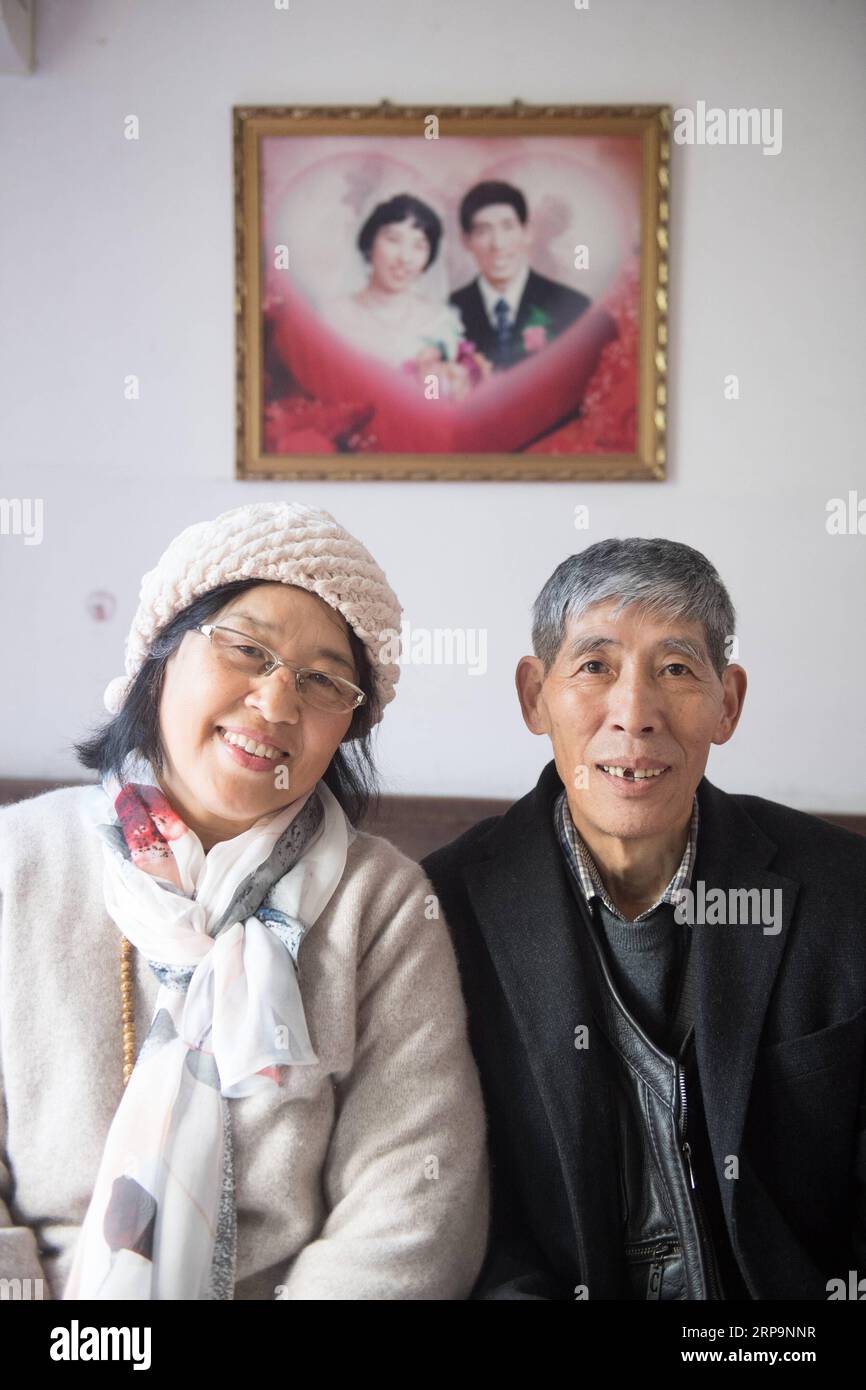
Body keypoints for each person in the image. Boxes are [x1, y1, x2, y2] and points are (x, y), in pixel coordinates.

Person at [0, 501, 489, 1300]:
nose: (275, 703)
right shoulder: (17, 862)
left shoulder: (384, 905)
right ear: (161, 653)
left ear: (350, 727)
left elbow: (413, 1214)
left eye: (324, 680)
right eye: (247, 649)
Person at [422, 536, 866, 1300]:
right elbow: (455, 1210)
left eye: (676, 669)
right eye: (595, 666)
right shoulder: (443, 911)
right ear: (535, 696)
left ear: (728, 703)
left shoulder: (843, 892)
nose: (635, 715)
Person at [320, 193, 489, 396]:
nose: (405, 257)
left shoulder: (438, 322)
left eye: (419, 245)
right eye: (393, 240)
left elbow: (434, 399)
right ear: (369, 244)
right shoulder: (333, 317)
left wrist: (432, 380)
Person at [450, 180, 592, 371]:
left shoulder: (574, 308)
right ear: (465, 241)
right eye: (483, 231)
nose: (497, 244)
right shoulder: (447, 313)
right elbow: (431, 390)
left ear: (527, 232)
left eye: (507, 227)